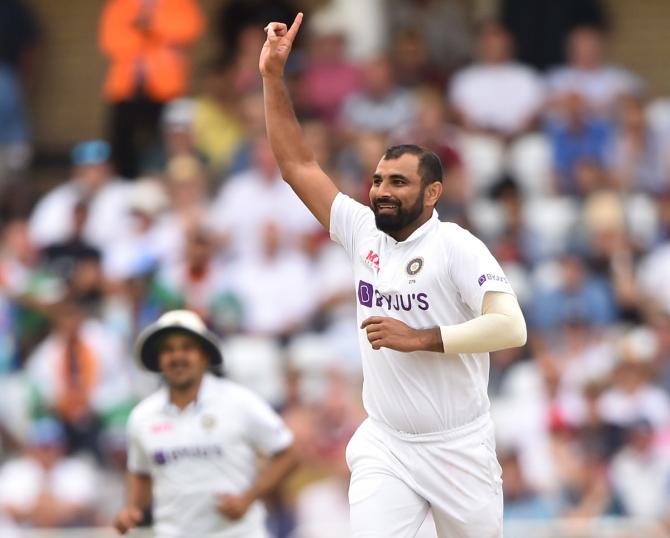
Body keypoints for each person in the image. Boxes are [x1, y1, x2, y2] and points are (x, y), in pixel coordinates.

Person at [260, 14, 527, 538]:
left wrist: (420, 339)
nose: (381, 190)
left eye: (398, 182)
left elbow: (510, 327)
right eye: (379, 179)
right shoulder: (362, 230)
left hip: (459, 445)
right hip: (387, 441)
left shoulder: (456, 246)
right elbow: (297, 166)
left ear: (432, 194)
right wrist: (272, 77)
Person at [114, 309, 297, 537]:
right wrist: (132, 509)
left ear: (205, 356)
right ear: (159, 359)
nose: (177, 357)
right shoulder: (142, 416)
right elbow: (140, 472)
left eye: (187, 348)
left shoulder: (238, 401)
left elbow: (288, 453)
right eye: (168, 350)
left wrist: (247, 499)